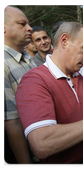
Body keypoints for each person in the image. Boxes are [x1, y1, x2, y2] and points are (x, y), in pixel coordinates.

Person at [15, 22, 83, 164]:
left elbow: (79, 112)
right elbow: (42, 143)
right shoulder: (34, 81)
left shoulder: (78, 77)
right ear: (64, 40)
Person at [2, 5, 36, 164]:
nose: (29, 28)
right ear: (3, 27)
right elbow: (12, 123)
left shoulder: (28, 58)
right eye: (22, 24)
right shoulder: (2, 65)